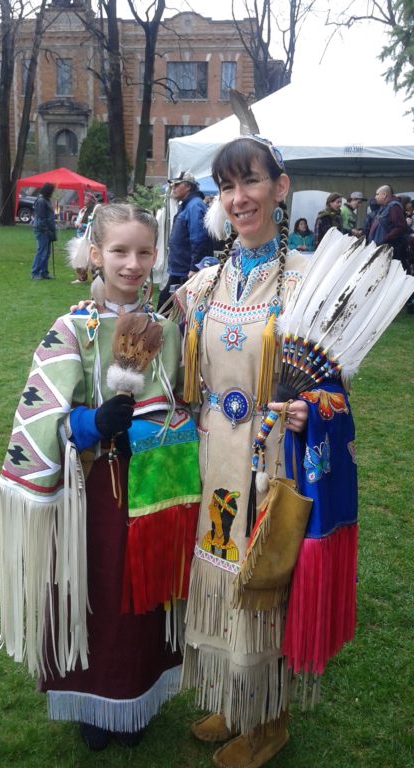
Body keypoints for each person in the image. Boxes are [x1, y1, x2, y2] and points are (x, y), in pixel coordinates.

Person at [173, 137, 357, 768]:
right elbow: (186, 378)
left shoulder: (310, 281)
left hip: (271, 465)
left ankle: (268, 721)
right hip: (214, 462)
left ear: (280, 188)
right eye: (227, 186)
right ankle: (233, 697)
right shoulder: (204, 283)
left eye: (250, 181)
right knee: (219, 579)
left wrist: (314, 408)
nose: (238, 197)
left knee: (261, 588)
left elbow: (334, 387)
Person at [0, 203, 201, 751]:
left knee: (146, 597)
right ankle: (95, 699)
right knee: (97, 593)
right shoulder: (74, 326)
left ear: (156, 256)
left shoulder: (165, 327)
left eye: (143, 252)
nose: (132, 264)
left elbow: (182, 396)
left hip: (156, 484)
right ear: (95, 255)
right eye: (119, 251)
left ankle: (139, 694)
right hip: (96, 492)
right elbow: (42, 413)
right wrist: (90, 422)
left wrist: (175, 420)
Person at [157, 170, 214, 310]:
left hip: (186, 271)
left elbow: (199, 239)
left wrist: (194, 268)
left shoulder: (195, 206)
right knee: (171, 307)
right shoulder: (187, 205)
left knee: (166, 306)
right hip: (179, 269)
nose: (173, 188)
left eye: (177, 185)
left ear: (188, 186)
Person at [367, 184, 408, 266]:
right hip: (380, 249)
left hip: (387, 250)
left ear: (384, 195)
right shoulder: (385, 207)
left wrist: (385, 239)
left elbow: (400, 227)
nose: (375, 197)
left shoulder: (394, 207)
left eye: (377, 194)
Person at [30, 182, 56, 280]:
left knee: (47, 252)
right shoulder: (41, 201)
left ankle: (44, 272)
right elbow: (41, 217)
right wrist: (46, 229)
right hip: (42, 229)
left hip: (47, 229)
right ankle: (35, 272)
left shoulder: (46, 200)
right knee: (41, 251)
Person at [71, 191, 97, 284]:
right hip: (80, 236)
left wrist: (82, 225)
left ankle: (95, 278)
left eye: (87, 199)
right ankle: (82, 277)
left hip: (89, 238)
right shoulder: (82, 210)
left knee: (90, 259)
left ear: (91, 201)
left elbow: (93, 225)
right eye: (84, 199)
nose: (85, 200)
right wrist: (77, 224)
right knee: (79, 258)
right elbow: (78, 220)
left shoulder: (94, 212)